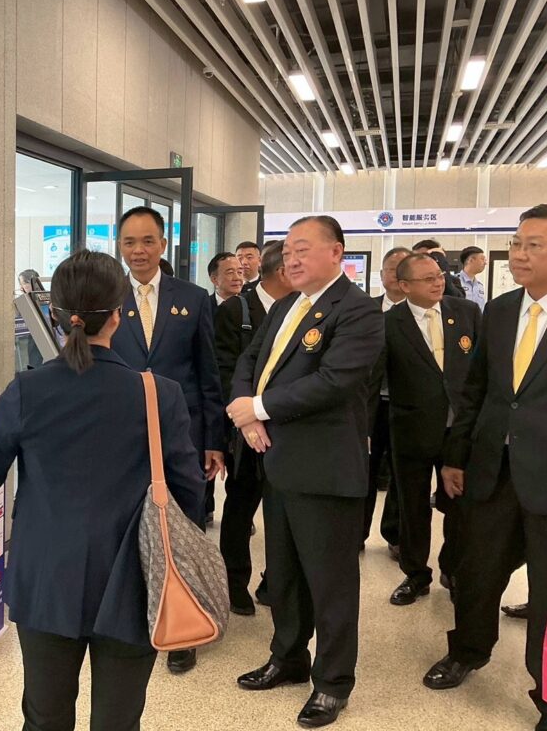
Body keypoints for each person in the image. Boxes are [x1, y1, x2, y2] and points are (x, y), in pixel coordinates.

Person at [0, 250, 205, 731]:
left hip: (46, 578)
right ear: (120, 313)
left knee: (45, 716)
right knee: (119, 720)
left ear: (55, 314)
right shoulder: (158, 393)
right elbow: (190, 491)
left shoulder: (27, 390)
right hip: (134, 579)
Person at [227, 215, 383, 728]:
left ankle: (333, 682)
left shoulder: (357, 310)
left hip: (325, 469)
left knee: (330, 583)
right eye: (287, 251)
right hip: (278, 461)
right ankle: (288, 657)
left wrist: (259, 408)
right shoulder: (286, 306)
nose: (291, 260)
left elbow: (335, 381)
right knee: (285, 573)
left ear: (336, 253)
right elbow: (250, 361)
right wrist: (246, 414)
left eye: (303, 249)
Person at [423, 205, 547, 731]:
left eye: (534, 245)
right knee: (476, 569)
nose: (519, 254)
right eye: (517, 243)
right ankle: (468, 651)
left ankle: (546, 691)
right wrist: (455, 456)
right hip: (492, 467)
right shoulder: (498, 311)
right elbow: (474, 391)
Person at [111, 205, 225, 675]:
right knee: (123, 523)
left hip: (182, 433)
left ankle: (184, 630)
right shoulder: (108, 295)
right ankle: (131, 615)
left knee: (184, 523)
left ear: (163, 244)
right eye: (129, 242)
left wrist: (214, 438)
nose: (138, 251)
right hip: (122, 431)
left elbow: (208, 372)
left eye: (147, 241)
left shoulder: (193, 299)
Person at [384, 253, 480, 606]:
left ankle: (453, 569)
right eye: (428, 279)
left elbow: (481, 367)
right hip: (411, 428)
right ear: (404, 285)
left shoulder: (466, 312)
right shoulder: (389, 323)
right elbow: (374, 378)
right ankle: (415, 574)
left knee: (460, 504)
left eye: (439, 275)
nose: (438, 282)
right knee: (412, 506)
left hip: (461, 429)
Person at [215, 240, 293, 616]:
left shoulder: (300, 309)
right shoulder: (236, 309)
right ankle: (234, 582)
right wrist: (247, 416)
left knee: (283, 510)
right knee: (241, 505)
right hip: (245, 429)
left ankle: (273, 581)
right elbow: (225, 370)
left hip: (287, 428)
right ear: (281, 272)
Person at [365, 247, 411, 558]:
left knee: (401, 472)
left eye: (402, 268)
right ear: (381, 275)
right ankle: (355, 533)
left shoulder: (423, 312)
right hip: (369, 404)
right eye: (390, 269)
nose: (395, 275)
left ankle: (395, 534)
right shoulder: (365, 309)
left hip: (406, 404)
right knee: (364, 469)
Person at [208, 251, 245, 321]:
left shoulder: (250, 304)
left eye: (240, 272)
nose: (237, 278)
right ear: (214, 279)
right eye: (230, 273)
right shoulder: (204, 306)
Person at [458, 246, 488, 310]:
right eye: (482, 259)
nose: (485, 263)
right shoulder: (455, 282)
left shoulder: (480, 286)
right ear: (471, 260)